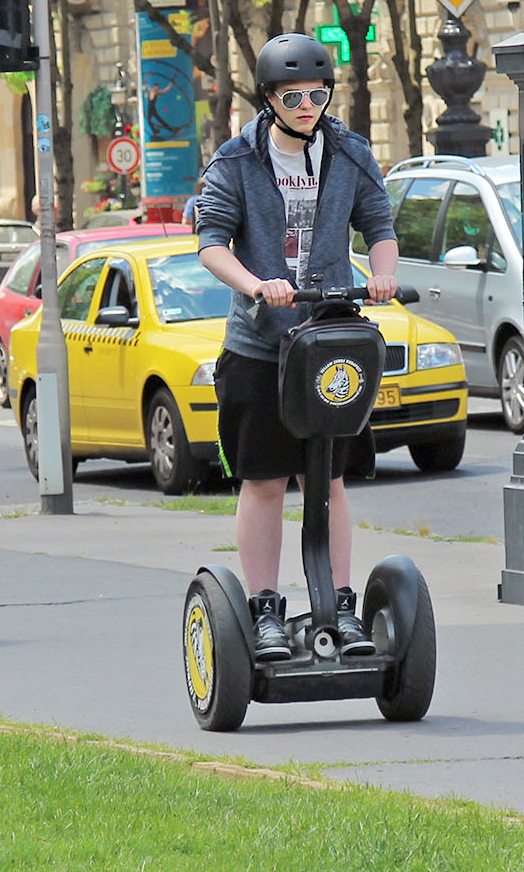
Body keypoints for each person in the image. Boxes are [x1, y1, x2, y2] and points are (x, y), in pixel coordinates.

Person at [195, 33, 399, 660]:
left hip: (328, 340)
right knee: (263, 480)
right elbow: (210, 242)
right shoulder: (236, 160)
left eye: (318, 94)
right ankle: (263, 610)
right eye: (295, 96)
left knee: (330, 481)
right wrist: (257, 285)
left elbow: (379, 225)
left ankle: (339, 602)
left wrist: (384, 272)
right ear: (270, 98)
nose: (309, 105)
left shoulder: (349, 153)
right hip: (260, 347)